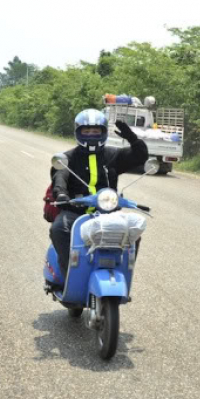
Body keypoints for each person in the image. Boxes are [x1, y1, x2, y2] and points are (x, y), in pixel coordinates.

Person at [49, 109, 147, 282]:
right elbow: (60, 177)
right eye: (86, 131)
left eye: (96, 131)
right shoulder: (68, 158)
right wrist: (61, 194)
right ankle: (69, 277)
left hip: (108, 211)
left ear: (103, 132)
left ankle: (123, 275)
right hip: (76, 211)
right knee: (58, 229)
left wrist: (131, 137)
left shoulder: (113, 155)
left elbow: (140, 156)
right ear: (78, 132)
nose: (91, 135)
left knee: (132, 232)